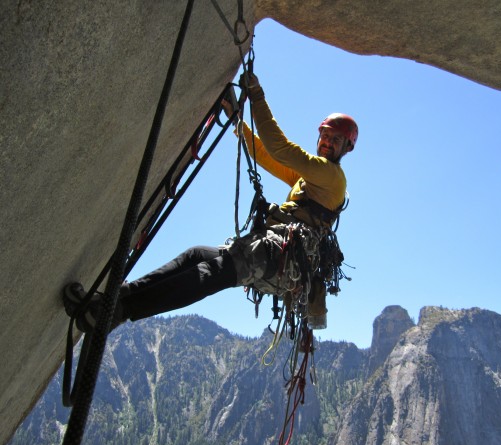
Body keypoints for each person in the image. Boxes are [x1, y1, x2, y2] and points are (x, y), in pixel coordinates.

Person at [63, 73, 358, 333]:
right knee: (196, 257)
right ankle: (115, 302)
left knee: (208, 274)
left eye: (335, 139)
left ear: (347, 147)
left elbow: (279, 148)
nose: (327, 142)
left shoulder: (332, 178)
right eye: (324, 136)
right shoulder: (310, 178)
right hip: (271, 253)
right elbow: (267, 156)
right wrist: (237, 120)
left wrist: (256, 96)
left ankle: (119, 310)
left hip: (276, 257)